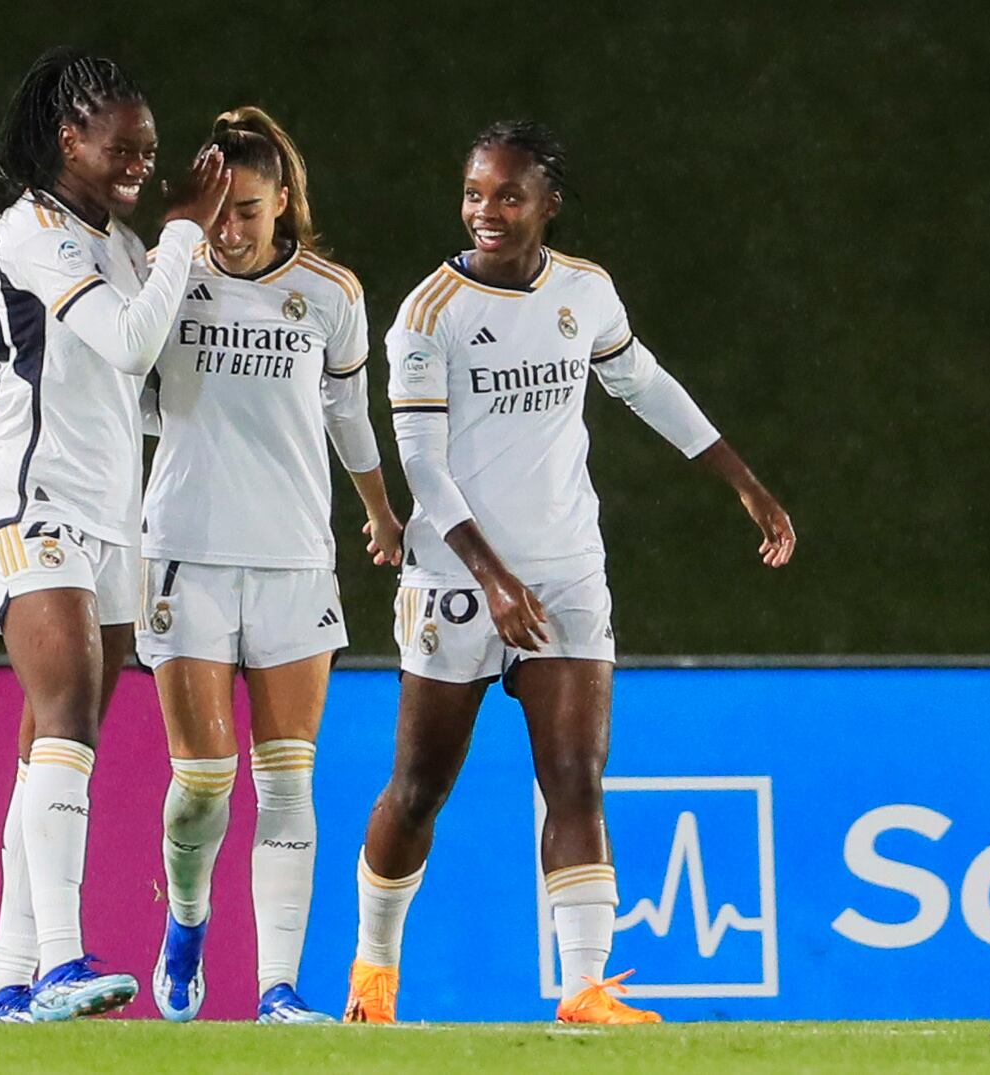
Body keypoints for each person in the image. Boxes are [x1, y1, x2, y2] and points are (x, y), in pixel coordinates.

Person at [344, 120, 796, 1025]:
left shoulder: (585, 292)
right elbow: (423, 470)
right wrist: (494, 578)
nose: (487, 212)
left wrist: (744, 483)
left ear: (549, 203)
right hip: (458, 581)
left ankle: (585, 985)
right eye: (475, 193)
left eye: (509, 195)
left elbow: (644, 383)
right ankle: (374, 968)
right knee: (419, 788)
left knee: (576, 776)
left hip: (567, 576)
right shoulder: (428, 317)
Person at [0, 46, 228, 1024]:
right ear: (69, 136)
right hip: (29, 498)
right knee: (66, 709)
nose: (139, 166)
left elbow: (139, 386)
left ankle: (6, 977)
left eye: (150, 152)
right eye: (122, 147)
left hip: (111, 517)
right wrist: (185, 238)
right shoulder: (35, 233)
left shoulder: (113, 244)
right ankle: (64, 965)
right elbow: (123, 339)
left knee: (53, 743)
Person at [134, 107, 402, 1024]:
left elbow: (348, 416)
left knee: (288, 780)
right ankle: (186, 920)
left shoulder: (329, 293)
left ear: (283, 202)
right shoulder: (167, 282)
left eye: (250, 209)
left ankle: (278, 987)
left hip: (293, 560)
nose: (232, 229)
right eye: (218, 210)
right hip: (184, 554)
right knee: (204, 782)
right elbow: (117, 389)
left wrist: (378, 510)